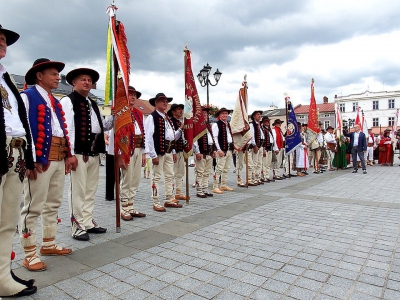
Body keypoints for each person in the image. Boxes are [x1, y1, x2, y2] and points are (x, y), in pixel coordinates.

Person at [19, 58, 72, 272]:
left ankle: (48, 243)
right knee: (33, 205)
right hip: (41, 159)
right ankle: (29, 253)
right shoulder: (27, 96)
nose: (57, 77)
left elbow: (62, 131)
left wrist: (68, 154)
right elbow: (25, 129)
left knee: (53, 202)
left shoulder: (56, 101)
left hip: (58, 156)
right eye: (53, 73)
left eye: (57, 74)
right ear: (39, 76)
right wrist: (30, 160)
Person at [0, 24, 37, 297]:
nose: (2, 42)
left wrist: (31, 157)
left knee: (7, 218)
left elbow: (21, 121)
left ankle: (2, 275)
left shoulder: (6, 79)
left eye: (4, 39)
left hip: (16, 152)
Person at [60, 68, 114, 241]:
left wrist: (115, 114)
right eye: (82, 79)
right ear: (74, 83)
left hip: (95, 152)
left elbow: (102, 126)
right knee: (78, 190)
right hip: (79, 152)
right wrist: (70, 153)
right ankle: (77, 225)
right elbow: (66, 128)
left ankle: (88, 221)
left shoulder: (92, 103)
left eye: (89, 80)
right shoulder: (68, 101)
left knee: (90, 189)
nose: (86, 83)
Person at [144, 93, 183, 211]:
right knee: (156, 177)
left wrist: (174, 150)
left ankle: (169, 199)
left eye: (166, 101)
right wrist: (153, 154)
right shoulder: (152, 117)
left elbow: (172, 137)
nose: (165, 103)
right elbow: (148, 137)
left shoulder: (167, 118)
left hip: (169, 151)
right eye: (162, 101)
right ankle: (156, 201)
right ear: (156, 102)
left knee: (169, 176)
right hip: (158, 151)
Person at [117, 86, 146, 221]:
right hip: (127, 149)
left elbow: (143, 132)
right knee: (127, 179)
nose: (133, 97)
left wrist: (144, 153)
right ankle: (123, 208)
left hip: (139, 148)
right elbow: (117, 135)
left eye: (134, 94)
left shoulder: (138, 113)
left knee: (135, 179)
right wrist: (120, 154)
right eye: (130, 94)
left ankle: (131, 206)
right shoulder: (121, 112)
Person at [212, 107, 237, 193]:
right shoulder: (216, 124)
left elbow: (230, 137)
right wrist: (218, 149)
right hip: (222, 149)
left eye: (226, 113)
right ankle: (215, 186)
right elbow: (214, 138)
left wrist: (233, 147)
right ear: (219, 115)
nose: (225, 115)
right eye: (223, 113)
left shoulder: (228, 124)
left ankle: (223, 184)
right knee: (219, 168)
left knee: (226, 168)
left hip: (229, 148)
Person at [193, 106, 216, 197]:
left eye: (206, 114)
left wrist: (213, 150)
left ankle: (205, 188)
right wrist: (197, 151)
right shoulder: (197, 126)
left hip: (209, 152)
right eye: (203, 113)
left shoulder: (208, 126)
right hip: (201, 152)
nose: (205, 115)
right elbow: (194, 140)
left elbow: (211, 139)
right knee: (200, 172)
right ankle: (199, 190)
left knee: (207, 172)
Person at [167, 103, 187, 201]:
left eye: (181, 109)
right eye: (179, 109)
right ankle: (171, 193)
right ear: (173, 112)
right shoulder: (171, 122)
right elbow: (173, 138)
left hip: (180, 150)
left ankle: (178, 192)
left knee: (180, 172)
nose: (181, 111)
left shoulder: (179, 122)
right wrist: (181, 128)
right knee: (173, 173)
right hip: (173, 150)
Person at [249, 110, 265, 185]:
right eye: (258, 114)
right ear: (254, 116)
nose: (259, 116)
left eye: (260, 114)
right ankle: (253, 178)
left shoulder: (259, 125)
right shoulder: (252, 125)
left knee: (259, 163)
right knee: (254, 162)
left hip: (260, 145)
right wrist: (254, 145)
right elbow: (251, 136)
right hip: (256, 145)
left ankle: (257, 177)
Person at [261, 116, 278, 182]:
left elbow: (273, 140)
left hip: (270, 147)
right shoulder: (263, 129)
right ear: (263, 122)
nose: (268, 122)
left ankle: (267, 176)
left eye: (268, 121)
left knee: (268, 164)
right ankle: (264, 176)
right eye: (266, 121)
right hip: (266, 148)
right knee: (265, 164)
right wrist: (263, 149)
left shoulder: (269, 129)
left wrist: (275, 148)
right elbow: (263, 140)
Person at [104, 129, 115, 201]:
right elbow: (105, 139)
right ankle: (109, 195)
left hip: (120, 152)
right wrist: (112, 146)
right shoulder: (109, 127)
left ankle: (121, 193)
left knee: (119, 174)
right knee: (110, 174)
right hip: (110, 152)